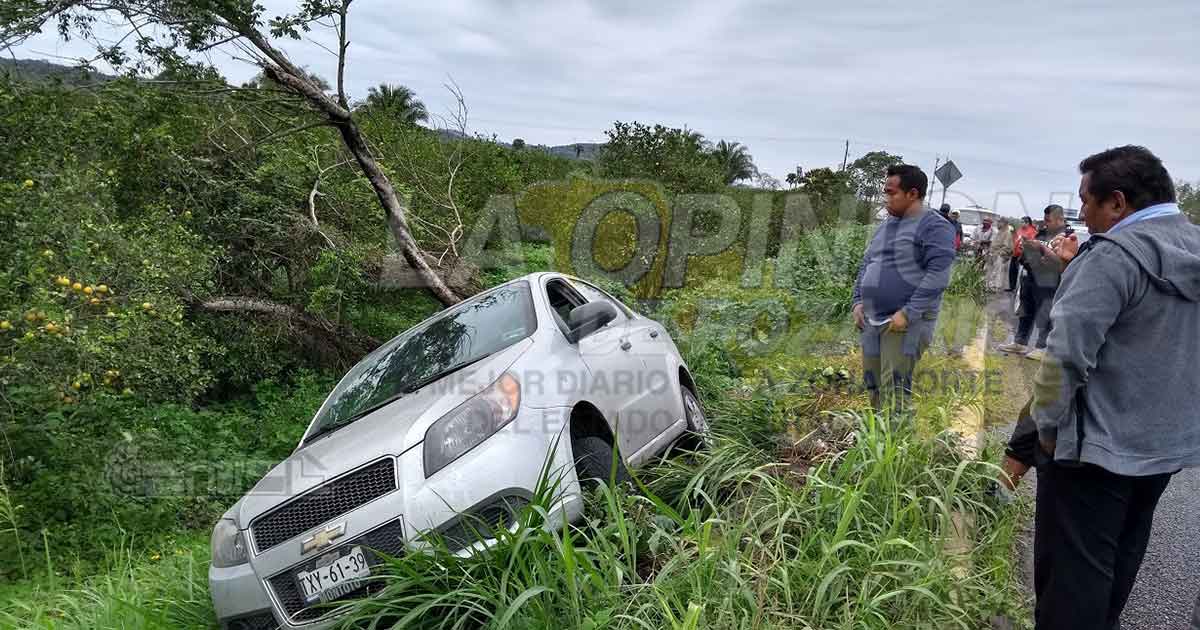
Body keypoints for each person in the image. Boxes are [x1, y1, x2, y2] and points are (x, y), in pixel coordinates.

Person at [1030, 145, 1200, 630]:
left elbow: (1064, 357)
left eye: (1086, 200)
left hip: (1094, 450)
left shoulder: (1112, 257)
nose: (1080, 212)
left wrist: (1046, 429)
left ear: (1118, 202)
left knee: (1074, 576)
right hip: (1164, 447)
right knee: (1121, 558)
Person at [852, 165, 956, 416]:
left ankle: (895, 445)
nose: (885, 198)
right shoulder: (886, 225)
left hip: (904, 322)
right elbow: (868, 262)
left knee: (894, 391)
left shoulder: (935, 227)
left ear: (912, 194)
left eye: (891, 193)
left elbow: (938, 275)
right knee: (873, 384)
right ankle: (876, 442)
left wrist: (908, 313)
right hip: (872, 318)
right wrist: (857, 300)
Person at [998, 205, 1067, 361]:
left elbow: (1060, 262)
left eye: (1048, 220)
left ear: (1060, 219)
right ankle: (1020, 342)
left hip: (1048, 280)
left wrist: (1040, 248)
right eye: (1045, 220)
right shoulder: (1042, 233)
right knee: (1025, 310)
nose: (1045, 223)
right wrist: (1027, 248)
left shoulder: (1066, 237)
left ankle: (1042, 347)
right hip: (1030, 275)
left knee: (1045, 313)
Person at [1009, 216, 1037, 291]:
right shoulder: (1020, 230)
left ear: (1028, 223)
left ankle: (1020, 288)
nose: (1021, 224)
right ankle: (1012, 286)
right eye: (1021, 222)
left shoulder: (1032, 231)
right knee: (1012, 270)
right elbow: (1016, 240)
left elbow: (1032, 243)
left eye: (1023, 222)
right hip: (1015, 253)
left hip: (1024, 255)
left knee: (1021, 273)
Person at [985, 219, 1012, 292]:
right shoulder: (999, 232)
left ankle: (995, 287)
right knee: (991, 270)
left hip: (999, 255)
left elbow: (1007, 247)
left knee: (997, 271)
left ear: (1004, 223)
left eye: (999, 222)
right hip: (993, 253)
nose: (997, 224)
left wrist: (999, 253)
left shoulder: (1007, 233)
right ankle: (990, 286)